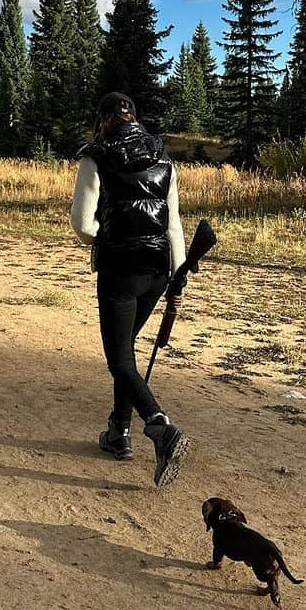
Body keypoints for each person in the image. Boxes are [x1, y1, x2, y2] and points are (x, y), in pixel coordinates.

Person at [70, 91, 189, 487]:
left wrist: (110, 238)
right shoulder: (162, 157)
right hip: (157, 270)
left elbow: (83, 224)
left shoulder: (96, 155)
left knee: (119, 358)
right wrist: (179, 272)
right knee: (127, 351)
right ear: (134, 118)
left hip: (119, 270)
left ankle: (159, 426)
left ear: (104, 119)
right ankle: (118, 432)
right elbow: (173, 224)